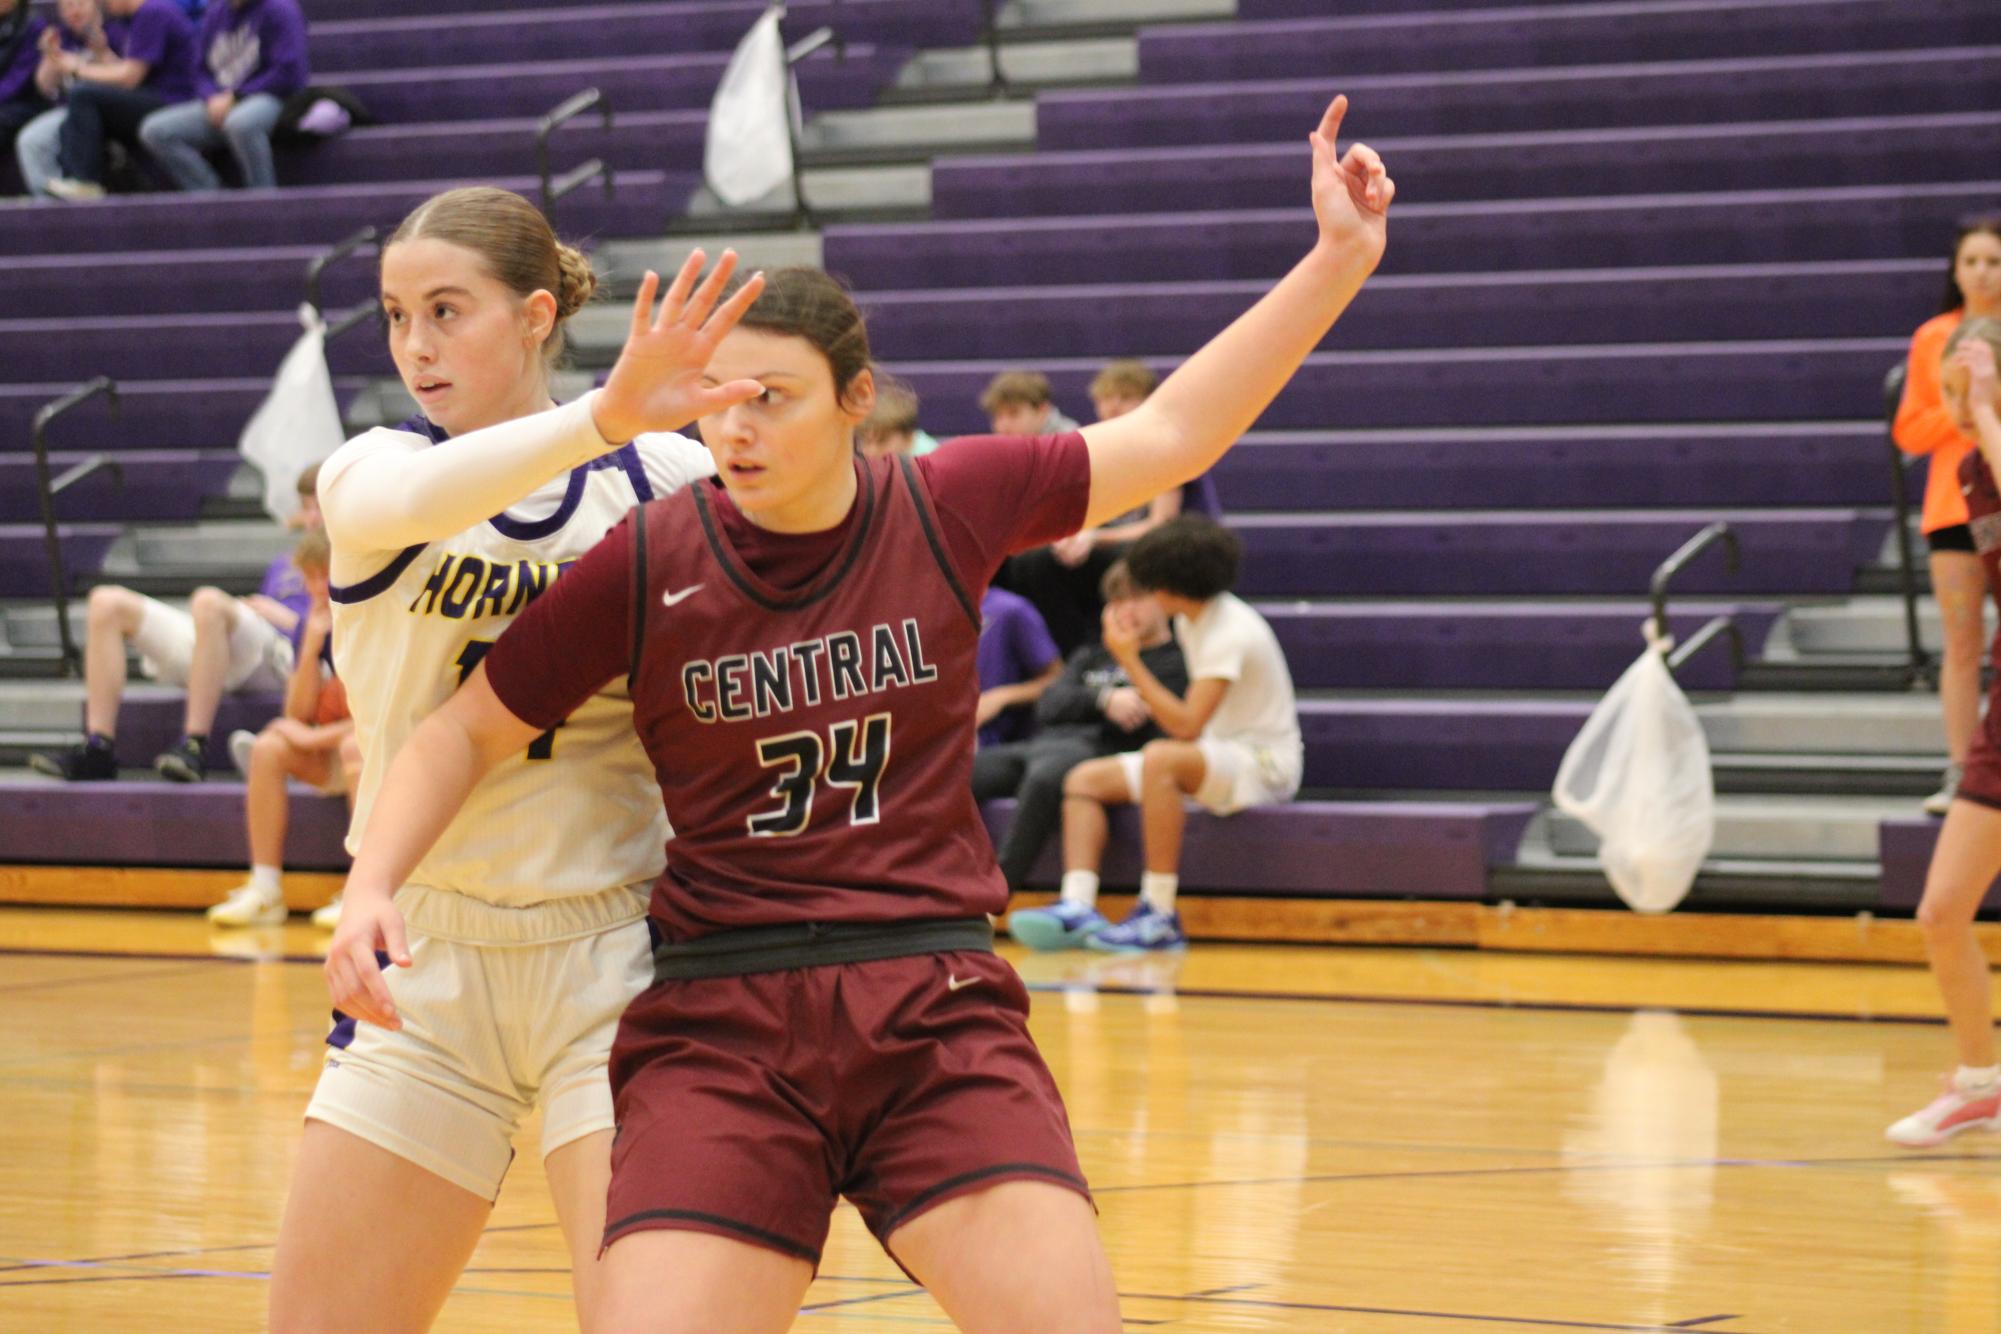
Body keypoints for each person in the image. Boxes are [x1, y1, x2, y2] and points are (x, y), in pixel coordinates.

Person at [326, 93, 1388, 1331]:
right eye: (716, 398)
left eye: (772, 396)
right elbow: (460, 726)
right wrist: (371, 879)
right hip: (721, 1017)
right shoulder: (650, 547)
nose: (737, 424)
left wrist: (1337, 260)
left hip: (929, 1000)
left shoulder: (949, 501)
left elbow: (1171, 427)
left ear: (855, 397)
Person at [265, 185, 761, 1334]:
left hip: (619, 964)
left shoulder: (665, 486)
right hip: (424, 962)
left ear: (537, 314)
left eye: (448, 310)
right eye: (395, 315)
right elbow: (444, 485)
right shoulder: (372, 474)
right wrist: (604, 414)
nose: (416, 346)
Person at [1015, 515, 1303, 953]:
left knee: (1162, 757)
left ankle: (1159, 912)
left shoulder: (1230, 632)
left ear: (1167, 583)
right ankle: (1076, 906)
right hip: (1220, 753)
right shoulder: (1194, 620)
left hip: (1264, 764)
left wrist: (1128, 660)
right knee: (1083, 779)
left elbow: (1187, 726)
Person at [29, 462, 320, 784]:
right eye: (307, 507)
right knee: (105, 603)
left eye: (319, 507)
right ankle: (98, 747)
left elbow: (344, 636)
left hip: (290, 656)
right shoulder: (286, 562)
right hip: (247, 648)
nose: (311, 518)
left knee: (208, 601)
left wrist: (286, 619)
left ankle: (194, 745)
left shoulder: (358, 559)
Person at [1890, 316, 2001, 1147]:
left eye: (1965, 388)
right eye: (1951, 391)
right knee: (1940, 909)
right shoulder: (1969, 471)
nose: (1955, 405)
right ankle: (1981, 1082)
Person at [975, 559, 1188, 892]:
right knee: (957, 775)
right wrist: (1103, 700)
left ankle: (995, 894)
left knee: (1045, 777)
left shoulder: (1175, 662)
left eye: (1136, 599)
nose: (1126, 610)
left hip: (1097, 752)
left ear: (1163, 601)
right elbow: (1048, 705)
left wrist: (1101, 704)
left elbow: (1153, 728)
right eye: (1117, 601)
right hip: (1043, 744)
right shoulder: (1091, 654)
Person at [1001, 359, 1214, 655]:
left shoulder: (1166, 443)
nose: (1112, 408)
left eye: (1125, 398)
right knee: (1034, 561)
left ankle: (1160, 656)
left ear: (1150, 402)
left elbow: (1160, 525)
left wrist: (1094, 537)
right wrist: (1075, 535)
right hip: (1122, 542)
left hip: (1176, 548)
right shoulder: (1104, 445)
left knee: (1134, 561)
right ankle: (1075, 656)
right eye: (1105, 399)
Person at [1897, 217, 2001, 815]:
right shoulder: (1933, 336)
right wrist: (1963, 412)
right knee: (1963, 642)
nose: (1982, 273)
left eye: (1993, 261)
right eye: (1972, 262)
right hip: (1953, 506)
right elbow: (1908, 427)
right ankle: (1963, 769)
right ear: (1956, 271)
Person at [205, 527, 357, 928]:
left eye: (325, 575)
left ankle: (362, 891)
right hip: (341, 748)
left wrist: (310, 736)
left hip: (384, 755)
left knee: (355, 746)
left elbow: (382, 720)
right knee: (268, 748)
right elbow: (296, 711)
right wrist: (308, 648)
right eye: (310, 578)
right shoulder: (313, 624)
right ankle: (265, 889)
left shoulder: (371, 620)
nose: (317, 587)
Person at [138, 0, 307, 191]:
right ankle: (212, 196)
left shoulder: (280, 9)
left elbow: (289, 72)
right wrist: (211, 96)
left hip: (273, 96)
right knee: (155, 131)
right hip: (222, 101)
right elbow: (199, 69)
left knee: (241, 123)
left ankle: (262, 199)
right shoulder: (216, 12)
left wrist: (236, 96)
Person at [42, 0, 196, 200]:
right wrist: (101, 53)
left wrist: (76, 67)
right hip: (152, 95)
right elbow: (126, 72)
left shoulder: (153, 11)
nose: (103, 4)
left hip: (174, 99)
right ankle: (81, 191)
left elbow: (130, 78)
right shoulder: (131, 20)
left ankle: (84, 181)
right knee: (72, 123)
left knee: (83, 94)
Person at [10, 0, 116, 198]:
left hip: (107, 110)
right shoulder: (62, 36)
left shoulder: (114, 30)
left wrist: (101, 53)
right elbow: (44, 86)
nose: (74, 11)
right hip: (67, 111)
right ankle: (48, 206)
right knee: (31, 140)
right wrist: (51, 57)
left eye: (80, 4)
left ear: (96, 5)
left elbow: (128, 81)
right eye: (67, 7)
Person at [976, 584, 1061, 748]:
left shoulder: (1010, 609)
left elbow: (1057, 679)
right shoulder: (929, 614)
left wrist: (1000, 697)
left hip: (998, 743)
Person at [855, 370, 939, 459]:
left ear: (908, 437)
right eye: (865, 441)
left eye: (882, 441)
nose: (870, 451)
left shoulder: (930, 458)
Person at [978, 367, 1080, 437]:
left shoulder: (1070, 441)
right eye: (997, 416)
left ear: (1042, 411)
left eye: (1014, 414)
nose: (1003, 426)